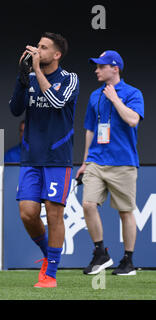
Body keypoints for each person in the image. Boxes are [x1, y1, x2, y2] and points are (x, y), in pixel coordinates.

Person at [9, 32, 79, 288]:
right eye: (37, 46)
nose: (37, 50)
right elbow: (15, 109)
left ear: (57, 54)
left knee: (54, 214)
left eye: (43, 47)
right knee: (27, 213)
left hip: (57, 158)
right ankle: (48, 255)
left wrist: (36, 71)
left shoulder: (70, 79)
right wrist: (21, 75)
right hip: (31, 156)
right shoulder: (28, 77)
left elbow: (58, 101)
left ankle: (50, 274)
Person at [76, 50, 144, 276]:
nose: (96, 70)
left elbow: (133, 120)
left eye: (100, 66)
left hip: (123, 162)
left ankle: (128, 261)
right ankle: (100, 253)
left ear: (114, 68)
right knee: (88, 204)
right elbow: (89, 129)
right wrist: (85, 161)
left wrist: (115, 99)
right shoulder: (95, 95)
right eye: (96, 66)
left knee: (125, 212)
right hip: (96, 160)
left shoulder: (133, 93)